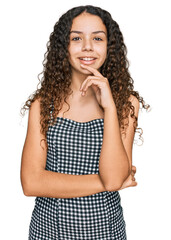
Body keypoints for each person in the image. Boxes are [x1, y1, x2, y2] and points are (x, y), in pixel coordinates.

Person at [20, 5, 150, 240]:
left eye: (97, 38)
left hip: (106, 232)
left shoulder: (125, 105)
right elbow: (31, 182)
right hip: (49, 232)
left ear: (109, 47)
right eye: (76, 38)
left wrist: (109, 107)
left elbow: (114, 178)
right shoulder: (43, 104)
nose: (87, 46)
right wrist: (106, 183)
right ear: (64, 47)